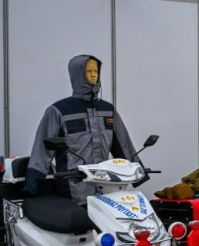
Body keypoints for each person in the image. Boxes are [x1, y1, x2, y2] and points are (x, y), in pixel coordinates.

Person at [25, 55, 136, 202]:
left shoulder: (108, 110)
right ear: (77, 74)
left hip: (106, 188)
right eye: (88, 71)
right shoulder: (59, 111)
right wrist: (33, 182)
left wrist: (136, 170)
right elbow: (42, 150)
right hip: (72, 190)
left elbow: (123, 144)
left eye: (96, 71)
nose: (93, 75)